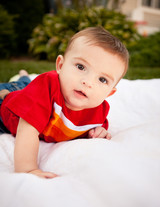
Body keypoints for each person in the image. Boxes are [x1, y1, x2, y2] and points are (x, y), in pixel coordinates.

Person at [0, 26, 129, 179]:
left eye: (102, 79)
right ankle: (21, 79)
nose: (88, 82)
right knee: (18, 88)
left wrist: (99, 131)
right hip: (6, 108)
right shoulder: (45, 87)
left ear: (109, 93)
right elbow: (27, 131)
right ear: (60, 65)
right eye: (81, 67)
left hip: (29, 91)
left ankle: (24, 77)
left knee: (26, 85)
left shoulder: (98, 110)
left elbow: (92, 127)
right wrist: (28, 170)